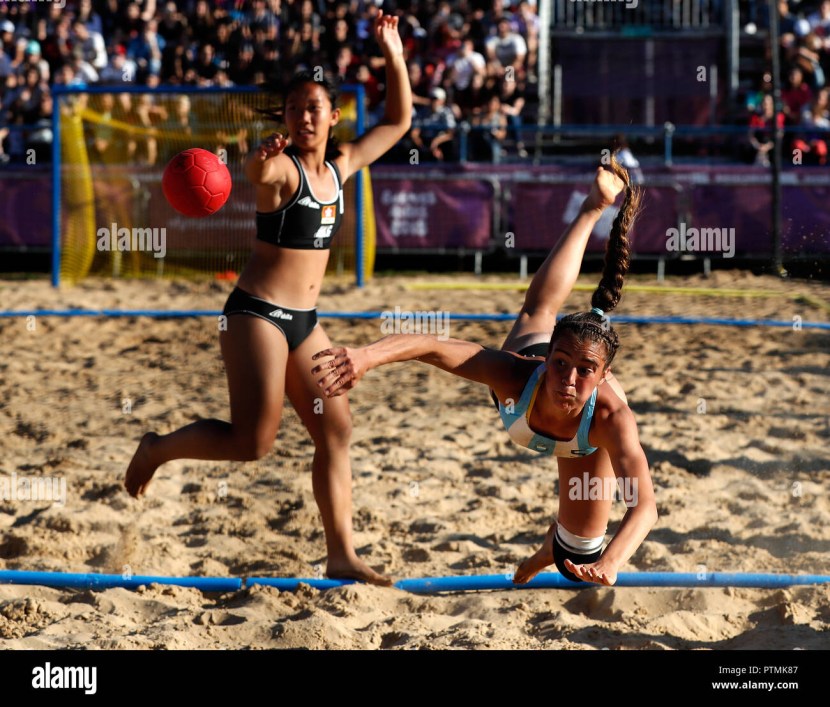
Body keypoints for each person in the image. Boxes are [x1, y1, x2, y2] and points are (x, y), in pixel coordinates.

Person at [124, 12, 412, 587]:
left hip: (305, 321)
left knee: (335, 429)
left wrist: (393, 51)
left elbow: (400, 120)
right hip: (255, 314)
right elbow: (258, 170)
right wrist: (258, 157)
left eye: (315, 107)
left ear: (333, 116)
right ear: (284, 117)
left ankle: (341, 555)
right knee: (252, 442)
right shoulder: (280, 170)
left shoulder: (342, 166)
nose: (305, 115)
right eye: (295, 107)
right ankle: (157, 447)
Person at [312, 159, 658, 586]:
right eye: (561, 364)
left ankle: (550, 549)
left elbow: (644, 507)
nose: (568, 379)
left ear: (603, 377)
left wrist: (612, 562)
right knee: (538, 310)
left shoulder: (611, 420)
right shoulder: (516, 374)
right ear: (548, 358)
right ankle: (593, 206)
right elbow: (433, 346)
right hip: (530, 370)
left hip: (583, 440)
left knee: (579, 557)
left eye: (585, 371)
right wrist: (365, 356)